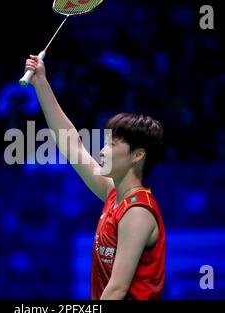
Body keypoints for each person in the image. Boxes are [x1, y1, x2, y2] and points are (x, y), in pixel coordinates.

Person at [24, 54, 166, 300]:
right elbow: (73, 146)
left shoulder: (137, 213)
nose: (102, 150)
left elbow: (117, 289)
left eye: (111, 144)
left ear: (137, 155)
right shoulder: (115, 196)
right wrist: (41, 83)